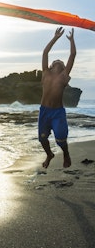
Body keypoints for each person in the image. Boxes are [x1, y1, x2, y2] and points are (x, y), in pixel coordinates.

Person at [38, 27, 76, 169]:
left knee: (61, 139)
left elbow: (72, 55)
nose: (58, 61)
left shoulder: (64, 77)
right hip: (44, 112)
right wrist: (55, 37)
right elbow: (45, 52)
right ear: (52, 65)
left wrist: (71, 40)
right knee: (42, 139)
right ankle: (49, 155)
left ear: (63, 67)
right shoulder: (45, 73)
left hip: (58, 113)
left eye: (61, 61)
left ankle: (66, 154)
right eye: (56, 60)